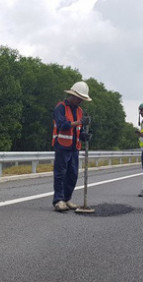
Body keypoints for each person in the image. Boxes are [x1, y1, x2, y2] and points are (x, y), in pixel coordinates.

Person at [52, 81, 91, 212]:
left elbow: (77, 130)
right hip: (62, 146)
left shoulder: (80, 111)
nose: (81, 101)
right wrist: (79, 122)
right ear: (73, 96)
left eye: (82, 99)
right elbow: (63, 125)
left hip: (75, 147)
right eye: (80, 98)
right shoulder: (60, 107)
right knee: (60, 174)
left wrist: (83, 135)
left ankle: (67, 199)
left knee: (73, 175)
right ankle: (59, 200)